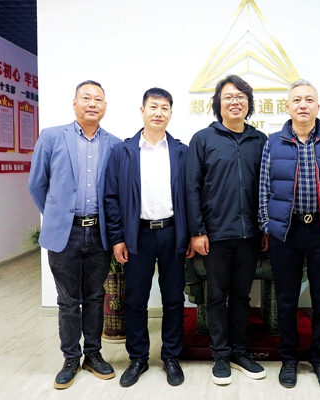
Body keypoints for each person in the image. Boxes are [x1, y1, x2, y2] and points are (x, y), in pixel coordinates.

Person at [258, 79, 320, 392]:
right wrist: (266, 226)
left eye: (309, 99)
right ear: (287, 107)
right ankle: (288, 358)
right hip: (286, 232)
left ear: (318, 106)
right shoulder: (273, 142)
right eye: (297, 100)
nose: (303, 104)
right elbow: (263, 188)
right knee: (286, 300)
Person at [28, 80, 121, 389]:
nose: (92, 103)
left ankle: (93, 354)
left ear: (105, 106)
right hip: (64, 234)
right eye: (86, 98)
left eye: (98, 99)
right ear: (74, 103)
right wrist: (58, 216)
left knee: (95, 296)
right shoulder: (52, 137)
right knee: (68, 300)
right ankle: (70, 358)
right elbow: (37, 184)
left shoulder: (115, 144)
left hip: (99, 233)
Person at [103, 88, 194, 387]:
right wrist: (118, 238)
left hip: (172, 233)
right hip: (137, 235)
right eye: (153, 106)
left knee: (173, 299)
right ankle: (138, 358)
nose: (159, 113)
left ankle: (171, 356)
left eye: (164, 108)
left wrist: (190, 234)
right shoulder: (123, 151)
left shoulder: (181, 151)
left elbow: (191, 195)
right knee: (135, 300)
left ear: (171, 114)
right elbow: (111, 197)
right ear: (142, 110)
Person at [185, 75, 267, 385]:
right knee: (217, 296)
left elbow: (267, 188)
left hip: (250, 235)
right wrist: (197, 231)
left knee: (242, 296)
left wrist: (265, 228)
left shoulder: (260, 141)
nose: (235, 101)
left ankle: (240, 351)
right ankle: (220, 354)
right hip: (215, 235)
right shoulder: (203, 139)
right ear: (218, 103)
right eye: (229, 96)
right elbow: (191, 188)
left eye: (241, 97)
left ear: (249, 103)